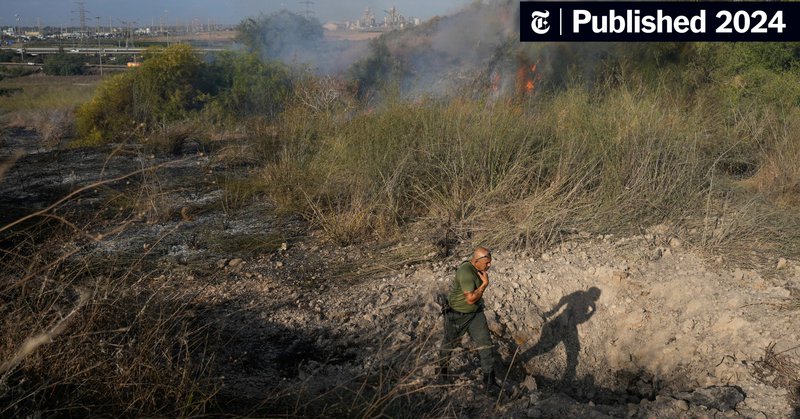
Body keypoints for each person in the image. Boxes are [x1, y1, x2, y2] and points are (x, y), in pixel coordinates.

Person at [439, 246, 500, 395]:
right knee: (449, 343)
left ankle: (489, 381)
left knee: (485, 343)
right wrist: (484, 285)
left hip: (475, 314)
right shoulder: (466, 272)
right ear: (476, 261)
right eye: (487, 263)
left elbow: (474, 303)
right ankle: (442, 373)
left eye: (490, 262)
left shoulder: (479, 268)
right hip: (457, 314)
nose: (489, 265)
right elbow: (471, 299)